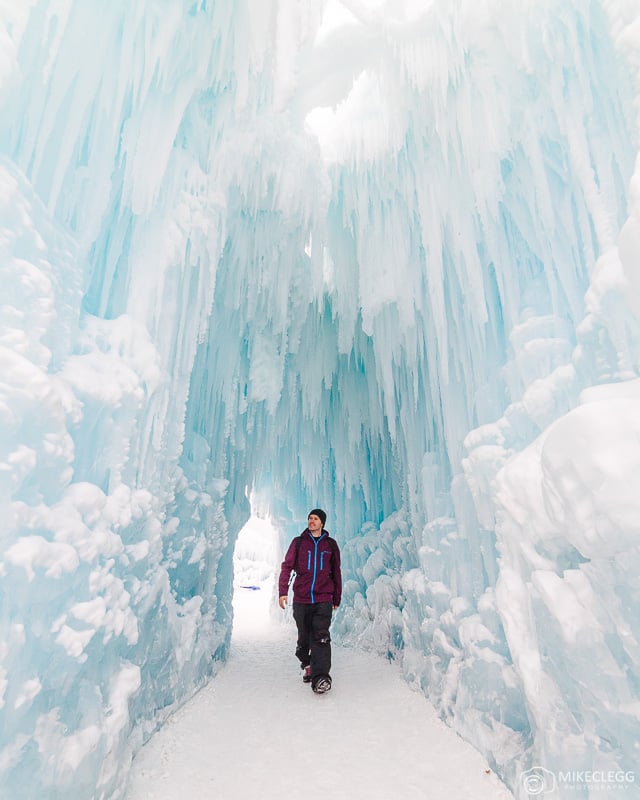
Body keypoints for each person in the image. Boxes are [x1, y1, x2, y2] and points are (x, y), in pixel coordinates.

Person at [278, 509, 342, 694]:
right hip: (302, 599)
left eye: (315, 518)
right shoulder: (298, 543)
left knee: (321, 636)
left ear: (322, 523)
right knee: (304, 638)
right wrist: (283, 592)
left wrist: (336, 597)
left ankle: (321, 677)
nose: (311, 521)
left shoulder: (330, 545)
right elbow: (287, 567)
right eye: (310, 518)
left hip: (323, 598)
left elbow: (336, 572)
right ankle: (307, 663)